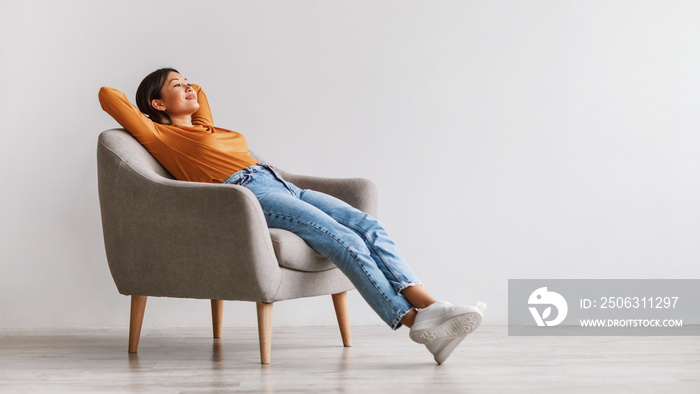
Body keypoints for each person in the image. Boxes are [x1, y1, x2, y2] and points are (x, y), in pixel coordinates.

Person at [98, 68, 486, 365]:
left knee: (367, 224)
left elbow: (200, 96)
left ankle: (432, 317)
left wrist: (184, 88)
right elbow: (109, 97)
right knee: (342, 238)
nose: (189, 87)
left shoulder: (205, 128)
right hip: (250, 192)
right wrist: (155, 110)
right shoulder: (159, 136)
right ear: (158, 105)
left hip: (282, 183)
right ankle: (417, 318)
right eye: (176, 85)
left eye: (188, 81)